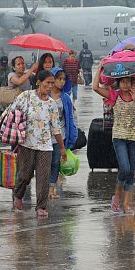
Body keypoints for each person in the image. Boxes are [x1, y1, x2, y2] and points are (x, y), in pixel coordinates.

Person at [5, 70, 67, 218]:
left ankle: (41, 207)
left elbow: (56, 128)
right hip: (27, 144)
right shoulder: (26, 96)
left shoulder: (51, 104)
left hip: (45, 146)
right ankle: (18, 195)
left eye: (52, 83)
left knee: (43, 177)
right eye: (48, 83)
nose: (51, 86)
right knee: (25, 175)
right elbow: (10, 112)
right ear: (39, 82)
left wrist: (63, 148)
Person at [93, 66, 135, 213]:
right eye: (122, 81)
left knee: (130, 171)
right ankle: (116, 196)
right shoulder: (114, 95)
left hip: (134, 138)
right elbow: (95, 87)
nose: (125, 84)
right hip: (119, 137)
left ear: (132, 82)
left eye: (128, 81)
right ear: (118, 83)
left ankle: (126, 204)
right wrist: (100, 68)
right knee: (124, 168)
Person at [48, 67, 78, 200]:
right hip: (44, 136)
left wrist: (72, 137)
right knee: (43, 164)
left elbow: (70, 118)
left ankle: (51, 189)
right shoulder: (44, 95)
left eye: (64, 79)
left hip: (60, 137)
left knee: (55, 163)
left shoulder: (65, 98)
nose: (62, 82)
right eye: (59, 79)